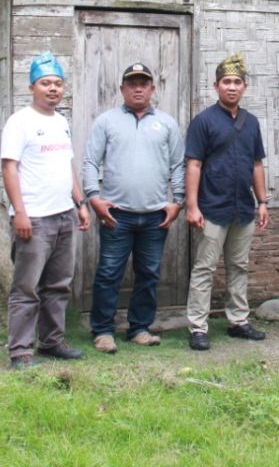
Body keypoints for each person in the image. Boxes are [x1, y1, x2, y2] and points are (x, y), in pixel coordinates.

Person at [82, 63, 185, 354]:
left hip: (155, 216)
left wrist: (177, 201)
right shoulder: (106, 121)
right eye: (132, 83)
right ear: (122, 89)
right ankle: (102, 331)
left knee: (149, 273)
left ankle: (139, 327)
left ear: (153, 88)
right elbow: (90, 161)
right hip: (117, 215)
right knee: (109, 272)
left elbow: (178, 164)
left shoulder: (166, 123)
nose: (137, 88)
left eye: (143, 83)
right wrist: (93, 197)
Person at [0, 51, 92, 370]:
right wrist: (20, 212)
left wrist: (79, 204)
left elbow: (67, 165)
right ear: (32, 88)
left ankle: (52, 341)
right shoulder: (20, 122)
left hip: (64, 214)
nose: (52, 89)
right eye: (45, 83)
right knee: (27, 287)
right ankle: (21, 351)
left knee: (58, 283)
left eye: (57, 83)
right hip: (34, 219)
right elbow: (9, 168)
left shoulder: (61, 122)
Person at [184, 54, 270, 351]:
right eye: (226, 82)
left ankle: (238, 321)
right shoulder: (203, 121)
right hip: (211, 207)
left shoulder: (251, 123)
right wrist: (192, 206)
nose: (231, 87)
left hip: (243, 207)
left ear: (245, 87)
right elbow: (193, 165)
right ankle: (197, 326)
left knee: (239, 266)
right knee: (205, 268)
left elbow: (257, 164)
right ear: (216, 86)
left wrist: (262, 202)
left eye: (237, 82)